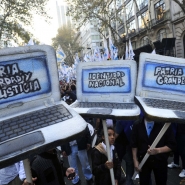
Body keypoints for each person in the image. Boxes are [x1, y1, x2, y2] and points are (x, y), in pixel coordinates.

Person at [131, 117, 176, 185]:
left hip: (160, 160)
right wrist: (135, 160)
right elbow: (134, 144)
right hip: (143, 161)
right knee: (144, 182)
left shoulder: (164, 124)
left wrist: (158, 150)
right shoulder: (137, 124)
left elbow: (172, 145)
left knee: (161, 182)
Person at [115, 120, 135, 185]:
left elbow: (116, 134)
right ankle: (128, 181)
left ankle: (118, 179)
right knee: (129, 163)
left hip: (122, 144)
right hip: (126, 144)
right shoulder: (132, 118)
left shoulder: (121, 120)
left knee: (118, 163)